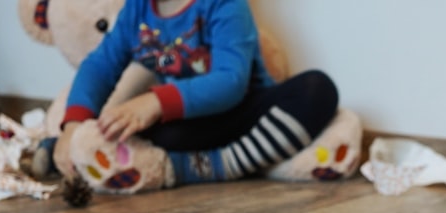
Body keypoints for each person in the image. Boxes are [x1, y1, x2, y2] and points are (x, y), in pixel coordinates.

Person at [48, 0, 339, 189]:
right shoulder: (136, 10)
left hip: (245, 113)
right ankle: (63, 152)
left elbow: (231, 81)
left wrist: (156, 101)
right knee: (144, 132)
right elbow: (100, 65)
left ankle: (210, 167)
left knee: (317, 89)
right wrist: (73, 125)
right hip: (192, 124)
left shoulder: (226, 5)